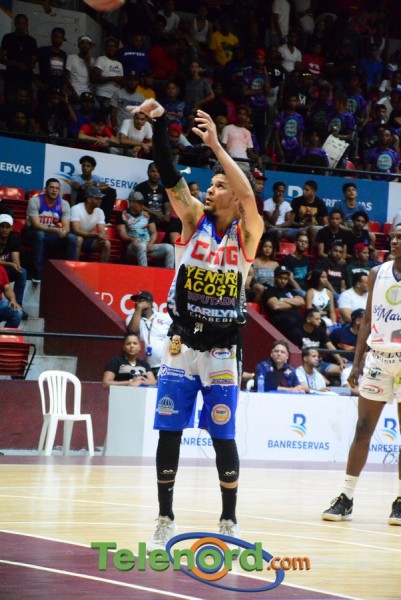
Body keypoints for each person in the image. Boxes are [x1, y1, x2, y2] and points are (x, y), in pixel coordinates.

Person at [128, 98, 264, 550]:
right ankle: (164, 517)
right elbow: (170, 175)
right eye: (210, 182)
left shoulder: (248, 233)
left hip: (223, 349)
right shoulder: (193, 219)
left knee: (223, 434)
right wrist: (160, 124)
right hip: (182, 344)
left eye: (219, 185)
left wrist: (217, 148)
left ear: (234, 197)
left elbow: (249, 196)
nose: (210, 188)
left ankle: (229, 520)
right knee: (169, 431)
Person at [321, 224, 401, 525]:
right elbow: (367, 318)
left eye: (400, 238)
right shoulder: (377, 273)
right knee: (363, 428)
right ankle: (346, 497)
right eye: (392, 237)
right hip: (378, 358)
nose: (394, 241)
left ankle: (400, 500)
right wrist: (356, 363)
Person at [22, 178, 78, 284]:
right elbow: (36, 225)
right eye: (51, 188)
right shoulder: (35, 201)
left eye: (57, 188)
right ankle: (37, 274)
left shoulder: (64, 204)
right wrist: (55, 230)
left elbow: (66, 228)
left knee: (72, 238)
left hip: (51, 236)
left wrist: (63, 232)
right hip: (32, 233)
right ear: (45, 189)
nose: (54, 190)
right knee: (40, 234)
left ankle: (71, 274)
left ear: (59, 190)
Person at [116, 190, 174, 268]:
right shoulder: (122, 215)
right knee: (142, 246)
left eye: (143, 203)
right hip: (132, 246)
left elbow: (153, 232)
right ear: (132, 203)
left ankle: (170, 274)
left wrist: (151, 243)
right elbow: (122, 235)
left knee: (169, 248)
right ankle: (144, 271)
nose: (142, 206)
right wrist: (132, 239)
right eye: (140, 203)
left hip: (148, 245)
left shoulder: (147, 215)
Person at [126, 290, 172, 379]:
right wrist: (139, 309)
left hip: (164, 366)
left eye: (140, 301)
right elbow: (133, 332)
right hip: (143, 367)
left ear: (149, 303)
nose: (137, 303)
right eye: (136, 301)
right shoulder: (132, 318)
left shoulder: (164, 317)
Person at [70, 155, 117, 224]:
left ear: (93, 168)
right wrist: (86, 185)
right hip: (79, 204)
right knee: (85, 189)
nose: (85, 168)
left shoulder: (96, 178)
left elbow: (106, 186)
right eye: (83, 166)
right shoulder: (75, 177)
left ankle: (105, 221)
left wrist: (95, 184)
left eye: (88, 166)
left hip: (92, 205)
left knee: (111, 191)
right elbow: (75, 185)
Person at [70, 186, 111, 262]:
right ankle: (73, 267)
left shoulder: (100, 211)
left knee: (106, 244)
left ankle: (102, 268)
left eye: (100, 198)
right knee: (79, 239)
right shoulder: (76, 208)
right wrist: (96, 235)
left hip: (88, 240)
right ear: (89, 199)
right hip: (72, 239)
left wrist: (102, 236)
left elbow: (101, 230)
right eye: (97, 198)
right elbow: (76, 231)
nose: (100, 200)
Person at [262, 264, 306, 334]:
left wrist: (282, 300)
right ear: (275, 277)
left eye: (286, 279)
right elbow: (276, 306)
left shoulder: (290, 290)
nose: (283, 281)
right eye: (280, 278)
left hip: (295, 319)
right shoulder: (269, 290)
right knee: (291, 321)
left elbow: (302, 302)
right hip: (279, 320)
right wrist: (294, 304)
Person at [0, 214, 28, 319]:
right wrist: (9, 264)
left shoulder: (13, 238)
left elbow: (15, 258)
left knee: (22, 272)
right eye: (2, 226)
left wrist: (17, 266)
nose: (4, 229)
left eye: (7, 227)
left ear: (11, 228)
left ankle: (17, 306)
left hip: (4, 271)